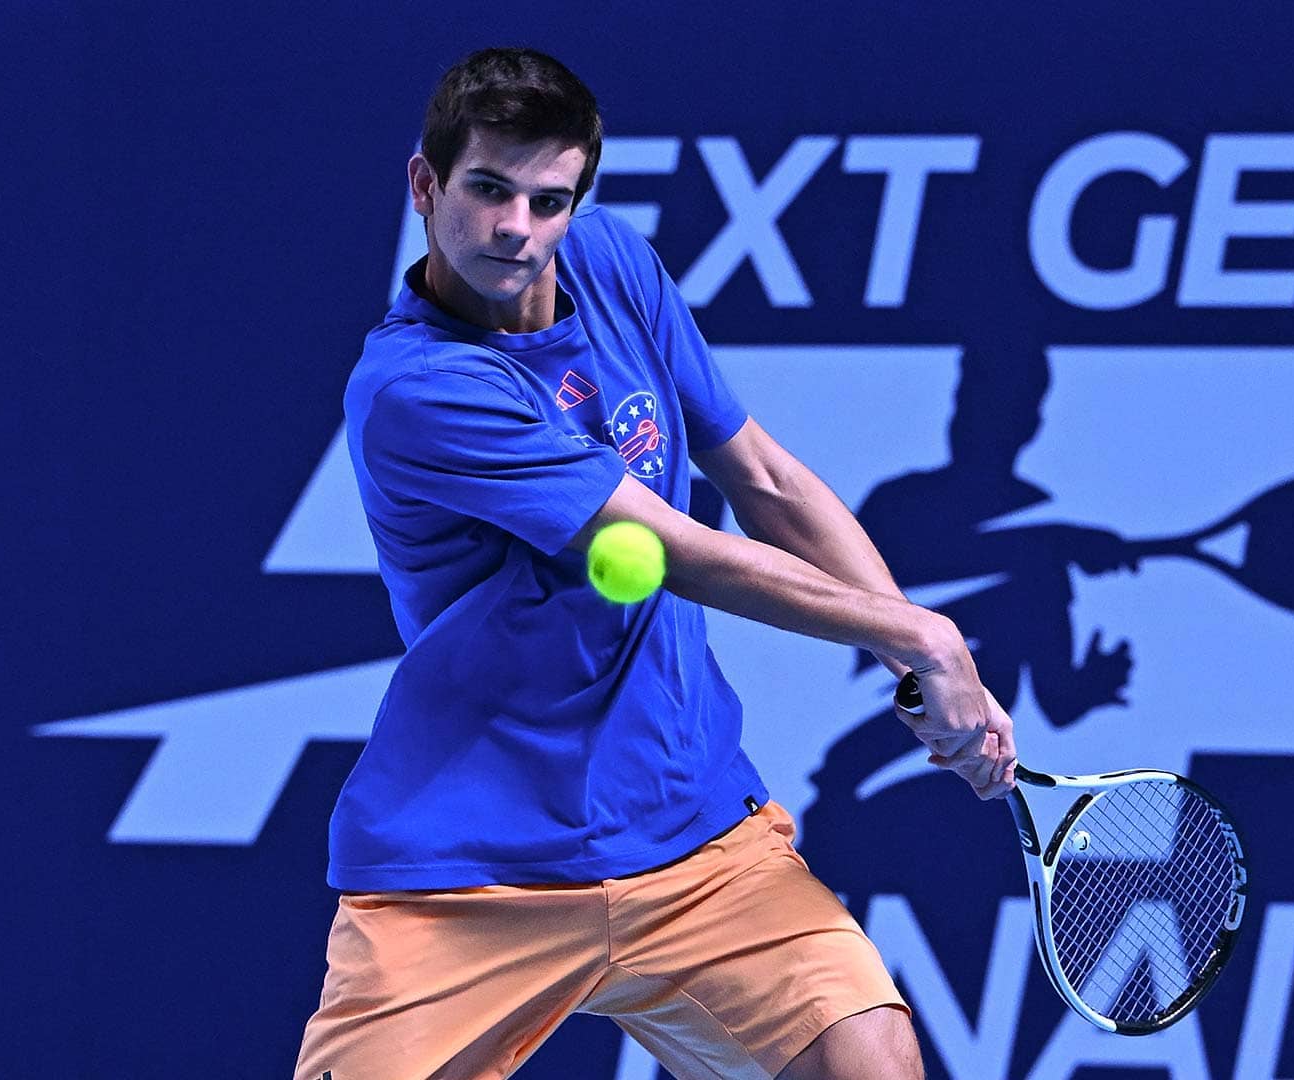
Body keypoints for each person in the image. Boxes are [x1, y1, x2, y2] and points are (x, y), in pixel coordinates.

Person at [296, 47, 1015, 1080]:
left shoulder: (615, 267)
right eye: (489, 190)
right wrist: (922, 635)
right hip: (472, 869)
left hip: (693, 837)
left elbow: (763, 479)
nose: (517, 229)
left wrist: (923, 665)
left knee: (874, 1060)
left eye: (551, 201)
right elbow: (673, 550)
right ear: (426, 184)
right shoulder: (419, 388)